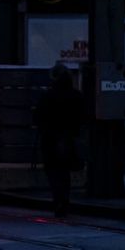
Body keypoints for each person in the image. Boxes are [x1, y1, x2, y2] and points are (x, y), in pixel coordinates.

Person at [34, 63, 86, 218]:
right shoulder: (76, 96)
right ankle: (65, 200)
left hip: (50, 139)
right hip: (69, 138)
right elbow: (81, 118)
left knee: (53, 172)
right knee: (64, 172)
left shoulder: (47, 96)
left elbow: (38, 117)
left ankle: (58, 201)